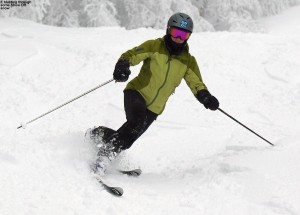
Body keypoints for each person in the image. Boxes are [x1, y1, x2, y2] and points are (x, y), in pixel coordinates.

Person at [86, 12, 219, 174]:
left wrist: (205, 97)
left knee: (128, 138)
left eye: (183, 35)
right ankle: (103, 157)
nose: (178, 38)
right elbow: (131, 55)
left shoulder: (188, 61)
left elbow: (196, 83)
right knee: (136, 122)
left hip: (154, 108)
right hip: (136, 93)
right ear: (168, 30)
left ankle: (98, 133)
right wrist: (123, 65)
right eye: (176, 33)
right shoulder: (155, 46)